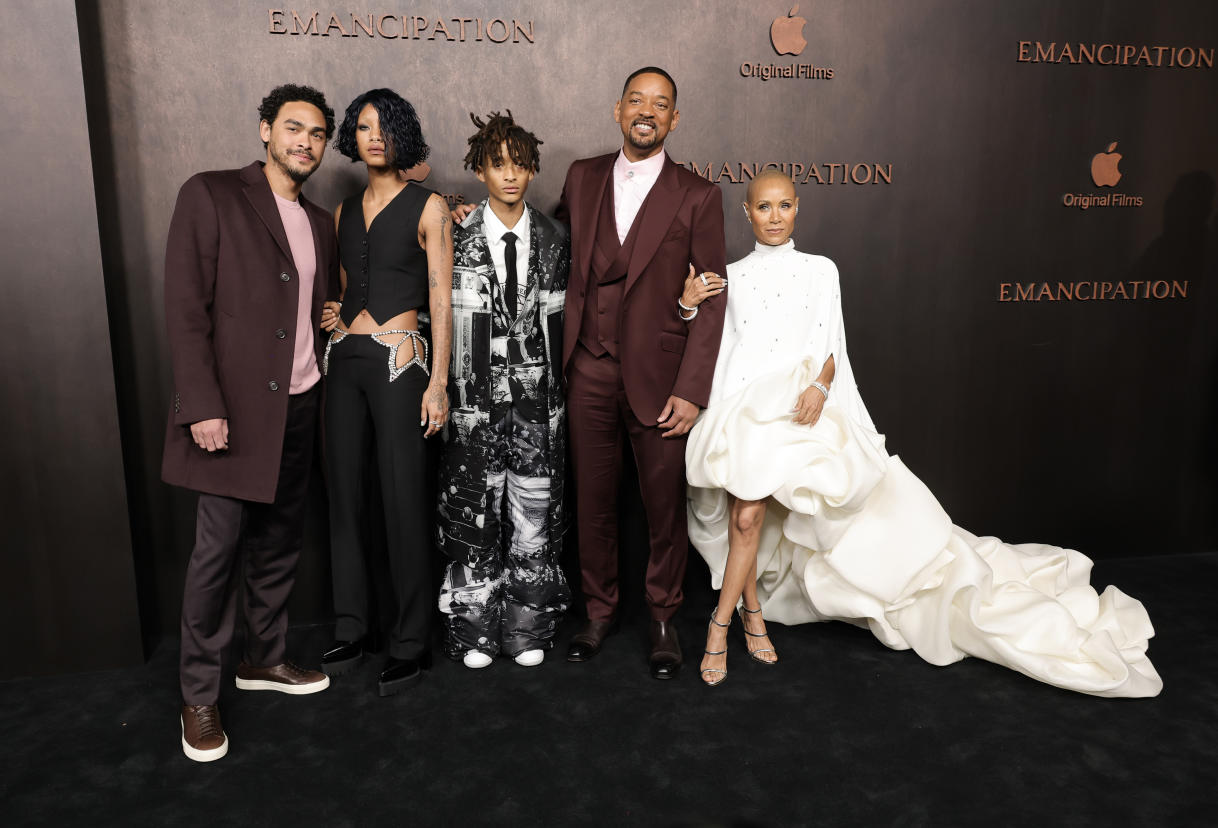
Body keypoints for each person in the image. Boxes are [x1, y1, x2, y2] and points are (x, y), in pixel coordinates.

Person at [684, 170, 1162, 697]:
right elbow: (711, 346)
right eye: (763, 207)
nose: (774, 217)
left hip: (802, 409)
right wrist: (688, 304)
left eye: (784, 206)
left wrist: (821, 388)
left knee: (754, 518)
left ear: (798, 208)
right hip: (747, 412)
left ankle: (722, 625)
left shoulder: (821, 270)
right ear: (746, 213)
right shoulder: (729, 276)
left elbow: (831, 343)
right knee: (746, 515)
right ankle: (742, 617)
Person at [161, 84, 339, 762]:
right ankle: (198, 695)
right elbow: (185, 308)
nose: (306, 142)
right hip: (231, 412)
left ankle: (262, 659)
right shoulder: (210, 194)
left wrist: (328, 319)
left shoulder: (320, 221)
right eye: (293, 128)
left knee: (278, 543)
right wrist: (201, 404)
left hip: (300, 404)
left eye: (318, 134)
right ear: (265, 130)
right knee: (217, 554)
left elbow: (304, 303)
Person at [558, 66, 727, 679]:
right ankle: (598, 612)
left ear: (674, 120)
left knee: (662, 507)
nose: (646, 112)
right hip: (588, 369)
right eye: (636, 101)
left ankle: (661, 619)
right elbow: (554, 242)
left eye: (660, 104)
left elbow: (712, 297)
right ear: (618, 110)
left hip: (661, 380)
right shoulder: (582, 177)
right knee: (593, 502)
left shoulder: (698, 194)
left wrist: (692, 389)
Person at [317, 88, 453, 696]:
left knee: (403, 499)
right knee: (344, 495)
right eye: (365, 127)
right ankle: (353, 625)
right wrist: (336, 319)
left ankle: (411, 640)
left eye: (386, 127)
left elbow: (442, 300)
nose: (375, 136)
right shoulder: (343, 211)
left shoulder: (429, 207)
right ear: (354, 135)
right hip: (344, 361)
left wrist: (440, 384)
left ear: (403, 136)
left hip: (404, 365)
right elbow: (350, 284)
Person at [436, 111, 571, 669]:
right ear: (480, 169)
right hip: (473, 407)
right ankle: (473, 633)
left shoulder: (555, 238)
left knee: (535, 515)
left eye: (520, 164)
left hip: (539, 408)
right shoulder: (455, 235)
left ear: (533, 169)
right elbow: (434, 313)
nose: (510, 175)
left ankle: (527, 627)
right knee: (473, 512)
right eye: (498, 165)